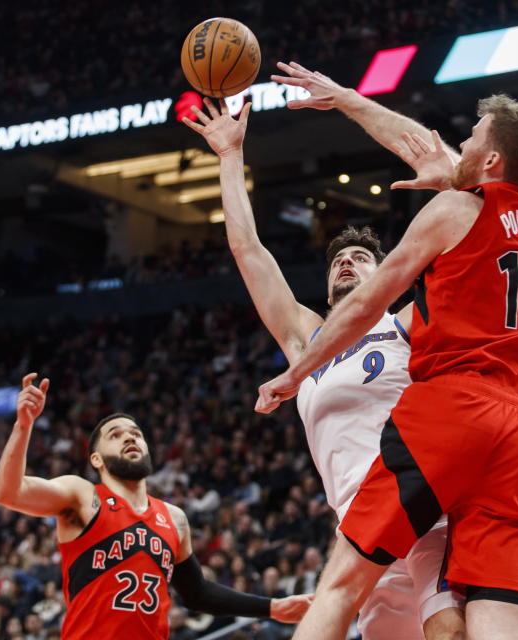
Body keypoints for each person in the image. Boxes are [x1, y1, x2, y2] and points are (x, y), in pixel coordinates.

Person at [257, 61, 518, 640]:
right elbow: (422, 145)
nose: (460, 141)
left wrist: (297, 372)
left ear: (491, 159)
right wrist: (345, 96)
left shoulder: (454, 208)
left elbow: (367, 304)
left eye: (473, 137)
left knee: (341, 584)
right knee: (497, 606)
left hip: (453, 405)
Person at [181, 98, 464, 639]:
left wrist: (448, 182)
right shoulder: (307, 342)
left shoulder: (406, 322)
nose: (346, 261)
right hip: (359, 533)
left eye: (361, 258)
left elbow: (466, 247)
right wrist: (229, 155)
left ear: (388, 277)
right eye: (339, 259)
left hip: (427, 508)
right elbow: (248, 250)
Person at [0, 374, 311, 639]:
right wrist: (23, 426)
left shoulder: (174, 518)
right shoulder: (83, 495)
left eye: (135, 434)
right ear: (96, 459)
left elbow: (197, 593)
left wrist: (272, 607)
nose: (129, 438)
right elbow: (9, 493)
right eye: (115, 435)